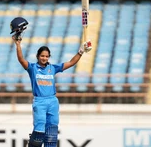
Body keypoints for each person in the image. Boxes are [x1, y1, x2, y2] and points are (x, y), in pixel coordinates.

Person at [10, 17, 92, 147]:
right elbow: (21, 59)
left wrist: (81, 51)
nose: (44, 58)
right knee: (39, 132)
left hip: (53, 101)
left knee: (52, 134)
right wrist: (18, 44)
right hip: (40, 101)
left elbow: (71, 63)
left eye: (47, 56)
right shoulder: (32, 68)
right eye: (42, 56)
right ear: (38, 56)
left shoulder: (52, 68)